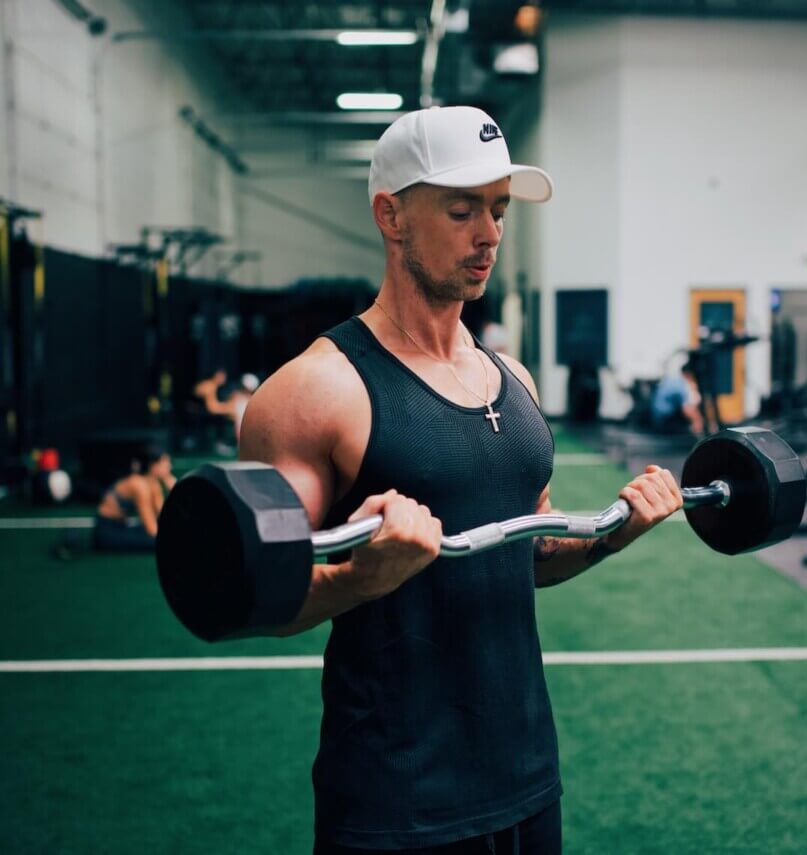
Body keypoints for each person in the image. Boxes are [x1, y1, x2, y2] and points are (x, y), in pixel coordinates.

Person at [238, 106, 683, 854]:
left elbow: (531, 553)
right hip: (396, 799)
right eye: (461, 208)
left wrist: (613, 533)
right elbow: (257, 596)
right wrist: (362, 577)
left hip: (527, 778)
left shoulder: (512, 377)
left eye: (500, 210)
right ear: (391, 215)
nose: (489, 235)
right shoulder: (317, 389)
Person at [92, 443, 175, 552]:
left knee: (171, 537)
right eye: (166, 463)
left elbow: (163, 517)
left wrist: (173, 488)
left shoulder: (153, 483)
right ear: (153, 465)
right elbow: (152, 530)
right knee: (165, 542)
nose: (170, 466)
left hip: (121, 527)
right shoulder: (139, 485)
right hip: (107, 532)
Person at [193, 369, 259, 443]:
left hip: (200, 412)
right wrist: (230, 409)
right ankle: (223, 442)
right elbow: (212, 409)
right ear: (217, 375)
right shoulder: (209, 386)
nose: (224, 378)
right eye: (222, 376)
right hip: (197, 413)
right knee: (233, 416)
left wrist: (229, 407)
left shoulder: (212, 386)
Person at [649, 360, 704, 437]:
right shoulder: (680, 384)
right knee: (693, 432)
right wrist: (699, 421)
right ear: (689, 374)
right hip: (665, 421)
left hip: (659, 418)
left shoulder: (673, 380)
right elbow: (687, 409)